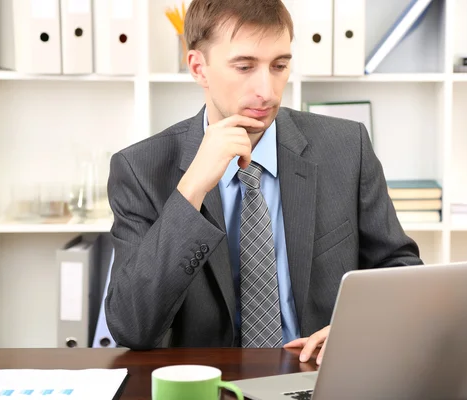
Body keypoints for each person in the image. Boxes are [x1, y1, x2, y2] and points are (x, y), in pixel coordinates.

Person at [104, 0, 423, 365]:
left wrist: (362, 328)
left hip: (319, 376)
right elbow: (132, 327)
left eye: (279, 65)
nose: (268, 91)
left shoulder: (347, 148)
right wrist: (190, 190)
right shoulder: (140, 170)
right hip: (212, 383)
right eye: (244, 66)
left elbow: (401, 269)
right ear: (198, 67)